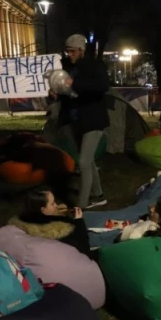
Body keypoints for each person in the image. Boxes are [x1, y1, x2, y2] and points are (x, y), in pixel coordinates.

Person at [50, 34, 109, 209]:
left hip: (94, 120)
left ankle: (81, 206)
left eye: (73, 51)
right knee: (88, 161)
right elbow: (66, 89)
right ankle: (98, 196)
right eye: (67, 51)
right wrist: (57, 92)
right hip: (77, 121)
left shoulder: (94, 66)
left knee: (83, 162)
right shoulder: (68, 66)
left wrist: (75, 84)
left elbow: (102, 87)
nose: (69, 54)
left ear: (82, 50)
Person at [7, 187, 94, 259]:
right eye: (52, 204)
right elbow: (84, 251)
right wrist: (79, 222)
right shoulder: (60, 231)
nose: (56, 205)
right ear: (43, 210)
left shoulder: (21, 221)